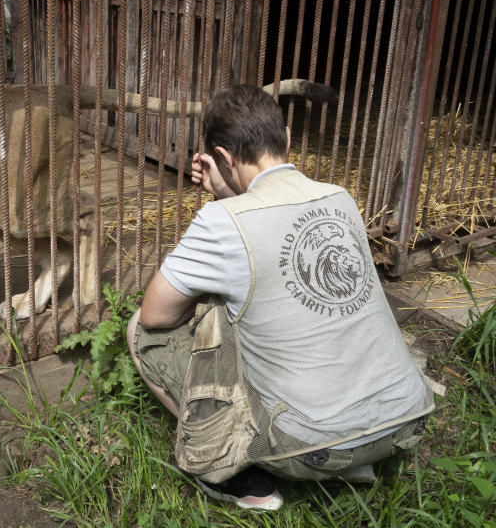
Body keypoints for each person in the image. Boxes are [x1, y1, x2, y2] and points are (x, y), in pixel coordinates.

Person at [127, 85, 435, 510]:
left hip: (307, 447)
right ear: (287, 138)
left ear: (224, 158)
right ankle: (356, 460)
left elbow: (156, 315)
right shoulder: (341, 198)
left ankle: (238, 475)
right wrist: (228, 192)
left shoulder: (221, 221)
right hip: (406, 423)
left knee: (145, 333)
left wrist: (221, 200)